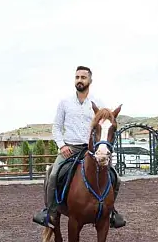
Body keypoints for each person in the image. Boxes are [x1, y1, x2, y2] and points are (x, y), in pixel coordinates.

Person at [32, 66, 126, 229]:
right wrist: (62, 146)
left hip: (92, 149)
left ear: (90, 80)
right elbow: (56, 127)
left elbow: (105, 126)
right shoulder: (65, 102)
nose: (80, 80)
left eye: (83, 77)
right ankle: (50, 212)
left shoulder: (99, 103)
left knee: (115, 176)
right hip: (70, 148)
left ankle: (111, 212)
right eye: (77, 77)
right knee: (53, 174)